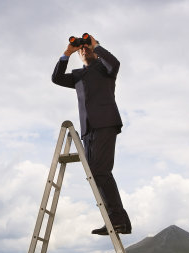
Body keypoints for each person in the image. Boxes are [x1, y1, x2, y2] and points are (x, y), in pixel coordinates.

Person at [52, 34, 132, 235]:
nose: (84, 50)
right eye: (82, 49)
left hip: (105, 123)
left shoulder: (105, 69)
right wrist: (67, 53)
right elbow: (56, 78)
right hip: (88, 130)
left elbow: (115, 63)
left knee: (99, 171)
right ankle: (118, 221)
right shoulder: (78, 75)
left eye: (86, 47)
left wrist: (95, 46)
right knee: (96, 175)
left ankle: (117, 220)